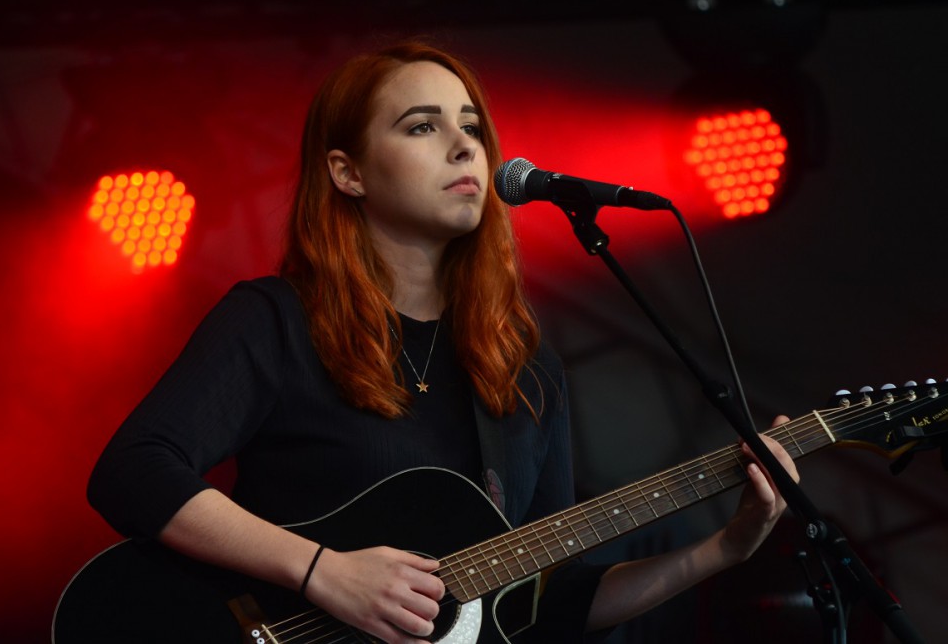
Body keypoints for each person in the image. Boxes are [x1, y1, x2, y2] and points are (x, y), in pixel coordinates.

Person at [87, 40, 798, 643]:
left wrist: (724, 547)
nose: (465, 144)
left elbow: (549, 604)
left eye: (471, 126)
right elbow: (135, 470)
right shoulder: (276, 321)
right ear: (348, 172)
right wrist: (322, 571)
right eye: (422, 127)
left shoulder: (526, 370)